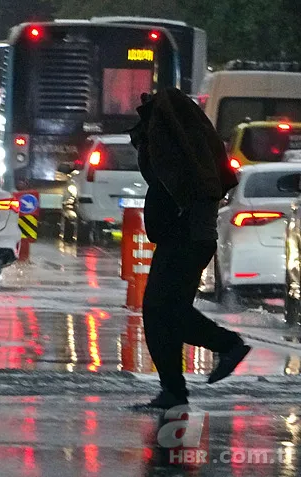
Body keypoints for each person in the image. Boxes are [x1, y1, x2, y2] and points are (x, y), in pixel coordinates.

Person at [129, 88, 251, 410]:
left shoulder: (174, 143)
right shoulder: (188, 147)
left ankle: (227, 345)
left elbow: (170, 177)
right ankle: (173, 389)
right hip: (185, 236)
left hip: (185, 237)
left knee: (163, 311)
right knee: (162, 311)